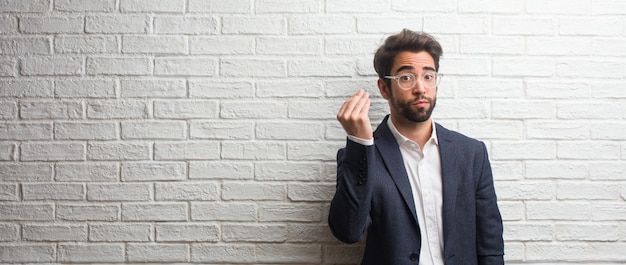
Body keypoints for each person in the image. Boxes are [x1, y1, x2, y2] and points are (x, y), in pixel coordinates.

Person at [328, 29, 504, 265]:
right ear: (383, 89)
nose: (421, 88)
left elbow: (490, 245)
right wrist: (360, 144)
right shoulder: (361, 156)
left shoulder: (471, 153)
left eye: (428, 76)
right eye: (406, 77)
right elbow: (348, 231)